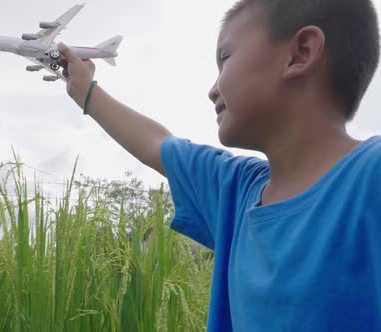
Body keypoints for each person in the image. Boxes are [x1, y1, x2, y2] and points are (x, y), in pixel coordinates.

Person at [57, 0, 381, 330]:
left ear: (300, 53)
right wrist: (85, 90)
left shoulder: (371, 178)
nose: (213, 90)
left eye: (224, 59)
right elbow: (157, 145)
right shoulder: (235, 190)